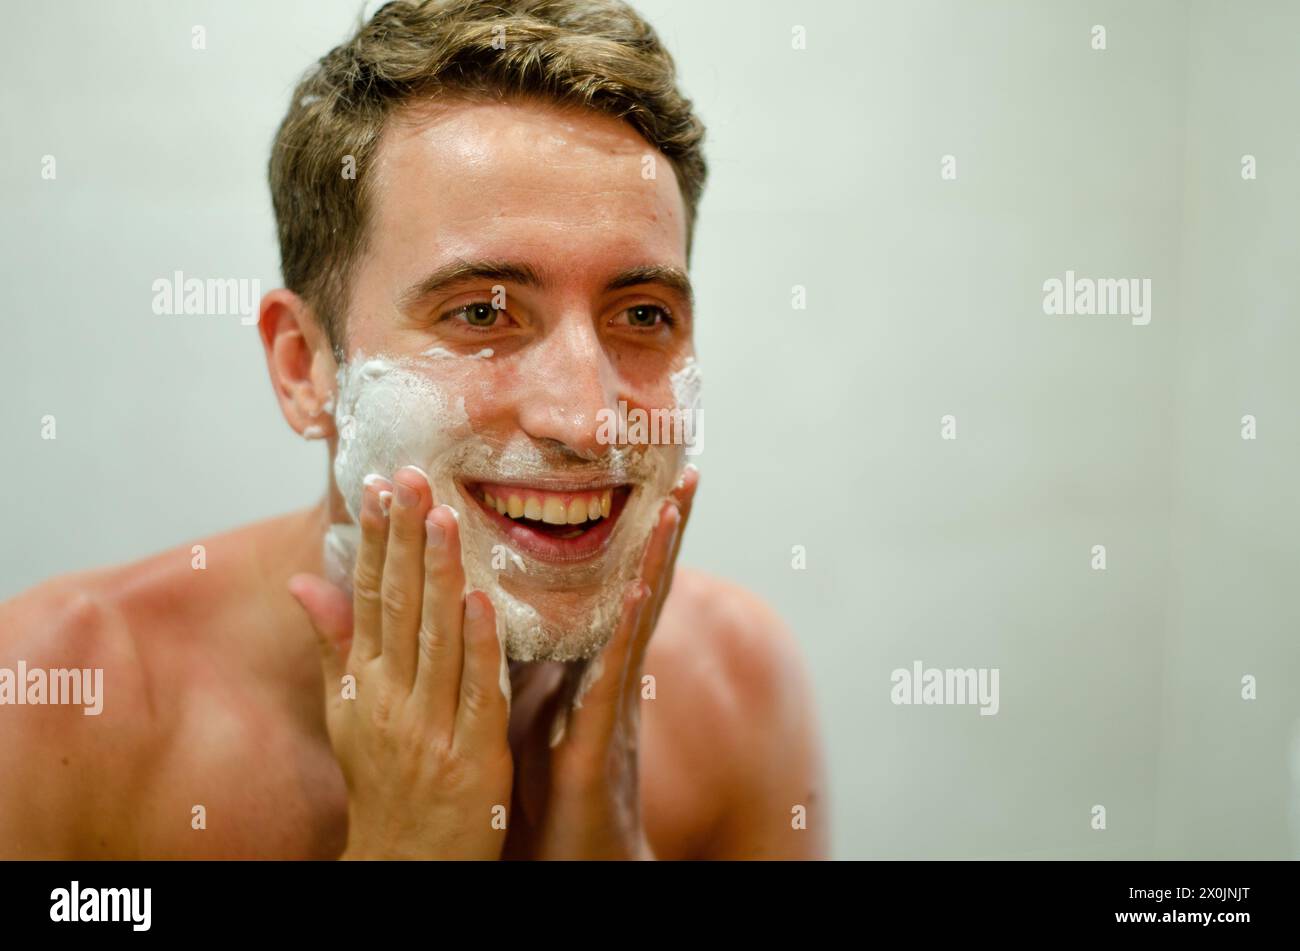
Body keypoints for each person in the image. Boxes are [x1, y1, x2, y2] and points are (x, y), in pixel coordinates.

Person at [0, 0, 826, 859]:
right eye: (482, 312)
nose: (588, 418)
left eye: (643, 313)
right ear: (305, 368)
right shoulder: (57, 706)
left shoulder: (739, 685)